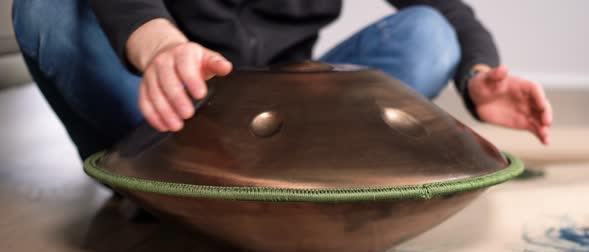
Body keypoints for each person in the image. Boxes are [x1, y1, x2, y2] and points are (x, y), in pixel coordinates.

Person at [13, 0, 553, 161]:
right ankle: (145, 176)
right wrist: (163, 46)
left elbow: (444, 11)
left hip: (285, 116)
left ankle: (305, 172)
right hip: (165, 101)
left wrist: (480, 75)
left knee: (428, 34)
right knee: (43, 7)